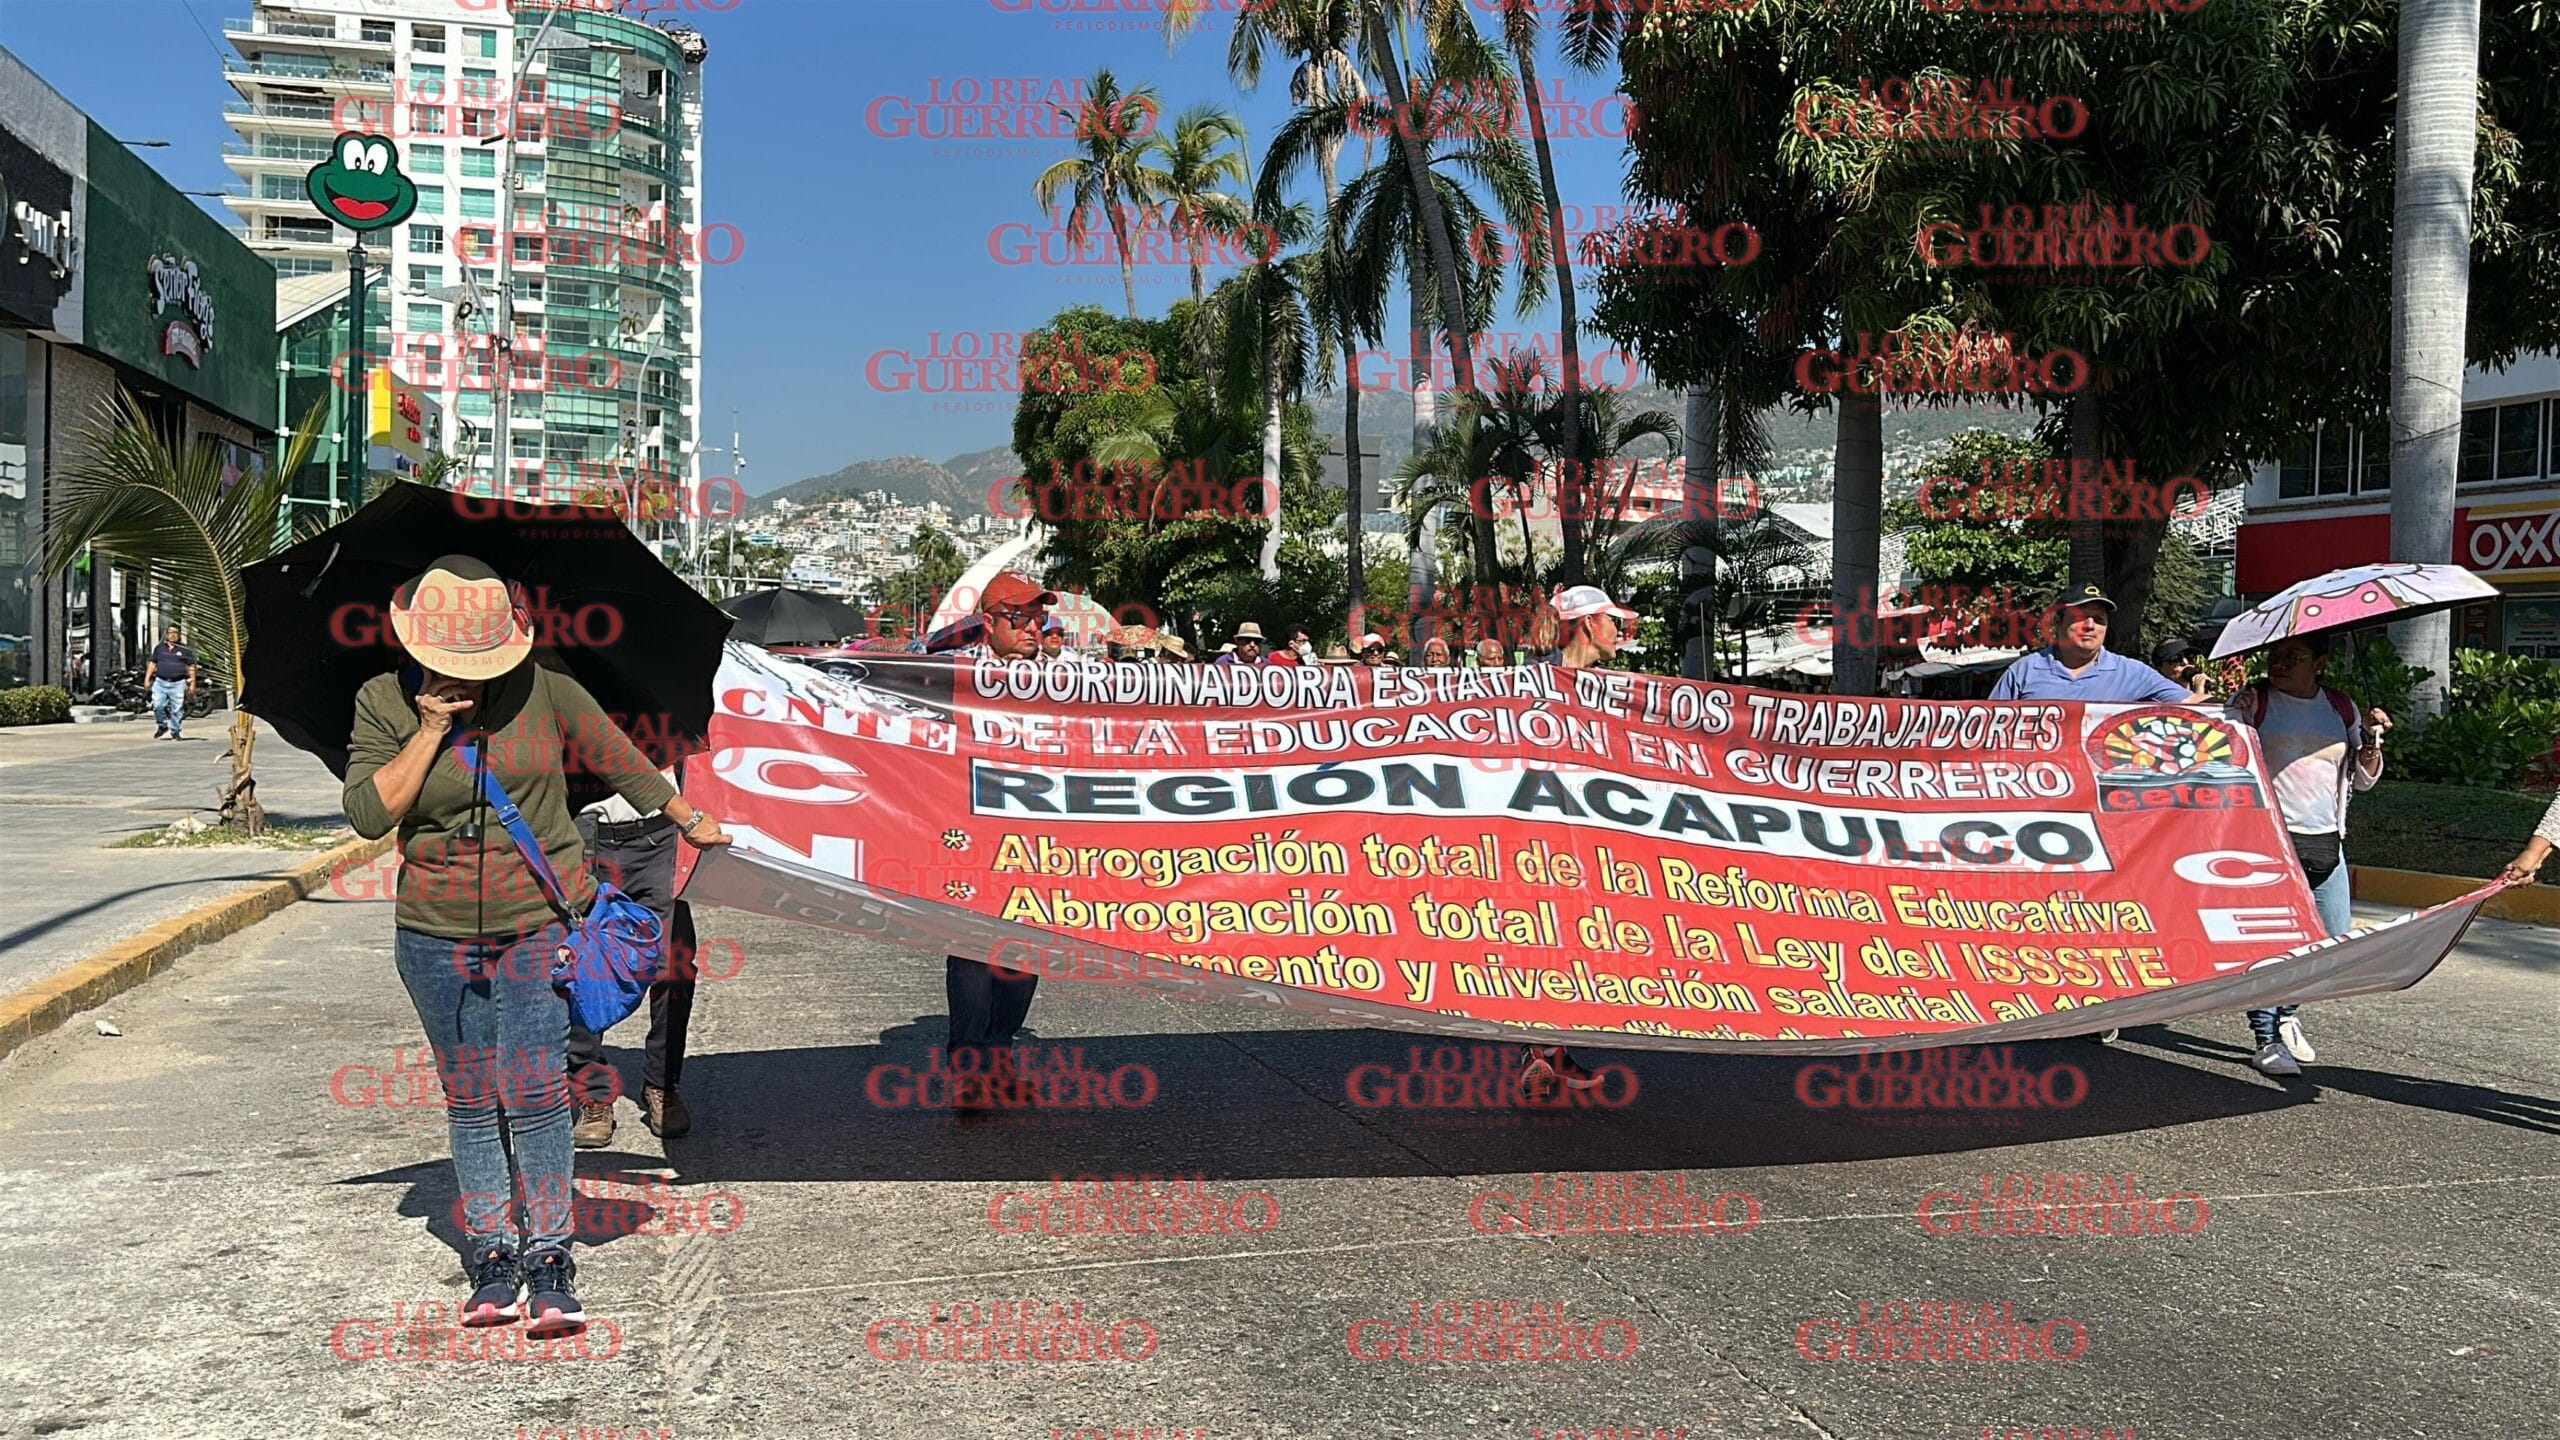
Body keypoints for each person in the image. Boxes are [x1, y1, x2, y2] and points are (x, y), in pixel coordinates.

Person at [342, 555, 732, 1337]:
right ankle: (491, 1253)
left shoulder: (543, 686)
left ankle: (550, 1253)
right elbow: (367, 813)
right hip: (434, 936)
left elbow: (620, 755)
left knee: (535, 1093)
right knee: (472, 1097)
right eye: (454, 664)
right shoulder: (382, 701)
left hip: (536, 927)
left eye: (481, 665)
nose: (470, 678)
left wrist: (689, 818)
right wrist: (429, 730)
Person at [916, 572, 1056, 1103]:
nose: (1031, 628)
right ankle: (968, 1067)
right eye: (1020, 617)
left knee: (1027, 949)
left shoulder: (1057, 678)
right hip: (970, 833)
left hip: (1034, 835)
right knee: (974, 948)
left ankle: (999, 1055)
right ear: (990, 621)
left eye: (1037, 618)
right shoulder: (956, 675)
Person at [2226, 633, 2388, 1076]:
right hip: (2268, 842)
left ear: (2318, 663)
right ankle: (2266, 1038)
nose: (2279, 663)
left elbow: (2364, 778)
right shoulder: (2254, 702)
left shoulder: (2341, 707)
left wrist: (2372, 746)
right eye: (2275, 656)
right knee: (2274, 944)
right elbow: (2223, 758)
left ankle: (2286, 1011)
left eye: (2292, 657)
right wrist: (2234, 716)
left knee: (2332, 940)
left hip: (2325, 840)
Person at [1519, 585, 1642, 1099]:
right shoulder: (1539, 681)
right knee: (1549, 939)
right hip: (1546, 835)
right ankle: (1536, 1051)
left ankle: (1553, 1052)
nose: (1623, 631)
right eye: (1614, 621)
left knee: (1575, 946)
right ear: (1589, 625)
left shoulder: (1614, 689)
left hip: (1592, 838)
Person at [565, 760, 701, 1149]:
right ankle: (592, 1093)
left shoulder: (673, 701)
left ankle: (662, 1084)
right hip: (585, 831)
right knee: (578, 968)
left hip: (662, 832)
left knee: (674, 969)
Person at [1986, 586, 2202, 704]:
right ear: (2058, 622)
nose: (2090, 626)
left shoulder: (2132, 673)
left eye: (2099, 619)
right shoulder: (2024, 671)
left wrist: (2235, 701)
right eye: (2081, 617)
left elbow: (2194, 703)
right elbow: (1989, 726)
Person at [149, 623, 197, 740]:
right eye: (170, 633)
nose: (173, 635)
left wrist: (193, 683)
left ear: (179, 635)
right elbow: (152, 663)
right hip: (160, 681)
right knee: (157, 705)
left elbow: (191, 666)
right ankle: (162, 725)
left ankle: (175, 731)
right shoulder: (159, 648)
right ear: (166, 634)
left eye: (175, 633)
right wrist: (147, 679)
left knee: (177, 709)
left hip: (178, 683)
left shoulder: (185, 650)